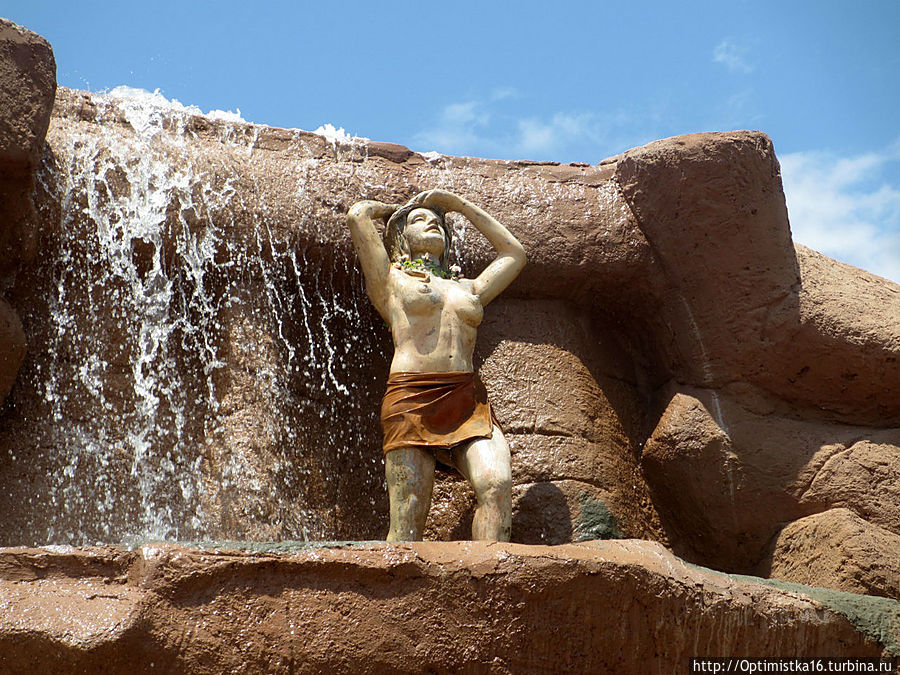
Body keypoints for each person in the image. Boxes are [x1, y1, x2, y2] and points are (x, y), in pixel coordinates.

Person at [346, 189, 526, 541]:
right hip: (411, 399)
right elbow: (358, 214)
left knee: (497, 486)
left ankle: (491, 571)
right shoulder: (389, 280)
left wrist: (459, 205)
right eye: (419, 220)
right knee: (409, 514)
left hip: (466, 401)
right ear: (401, 238)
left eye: (438, 222)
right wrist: (397, 210)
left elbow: (515, 254)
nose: (432, 223)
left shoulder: (470, 287)